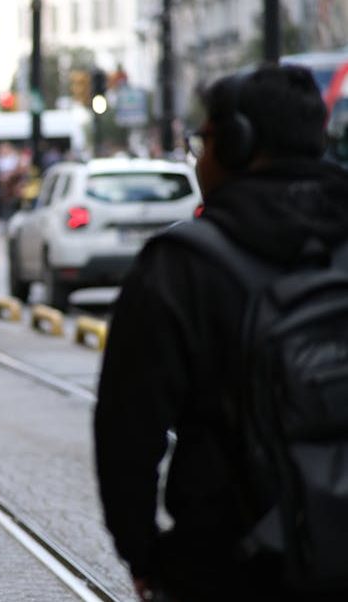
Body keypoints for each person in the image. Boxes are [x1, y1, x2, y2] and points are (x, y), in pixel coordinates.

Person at [94, 64, 348, 601]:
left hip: (230, 560)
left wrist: (141, 553)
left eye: (202, 139)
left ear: (236, 144)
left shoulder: (181, 267)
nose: (199, 154)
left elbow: (128, 431)